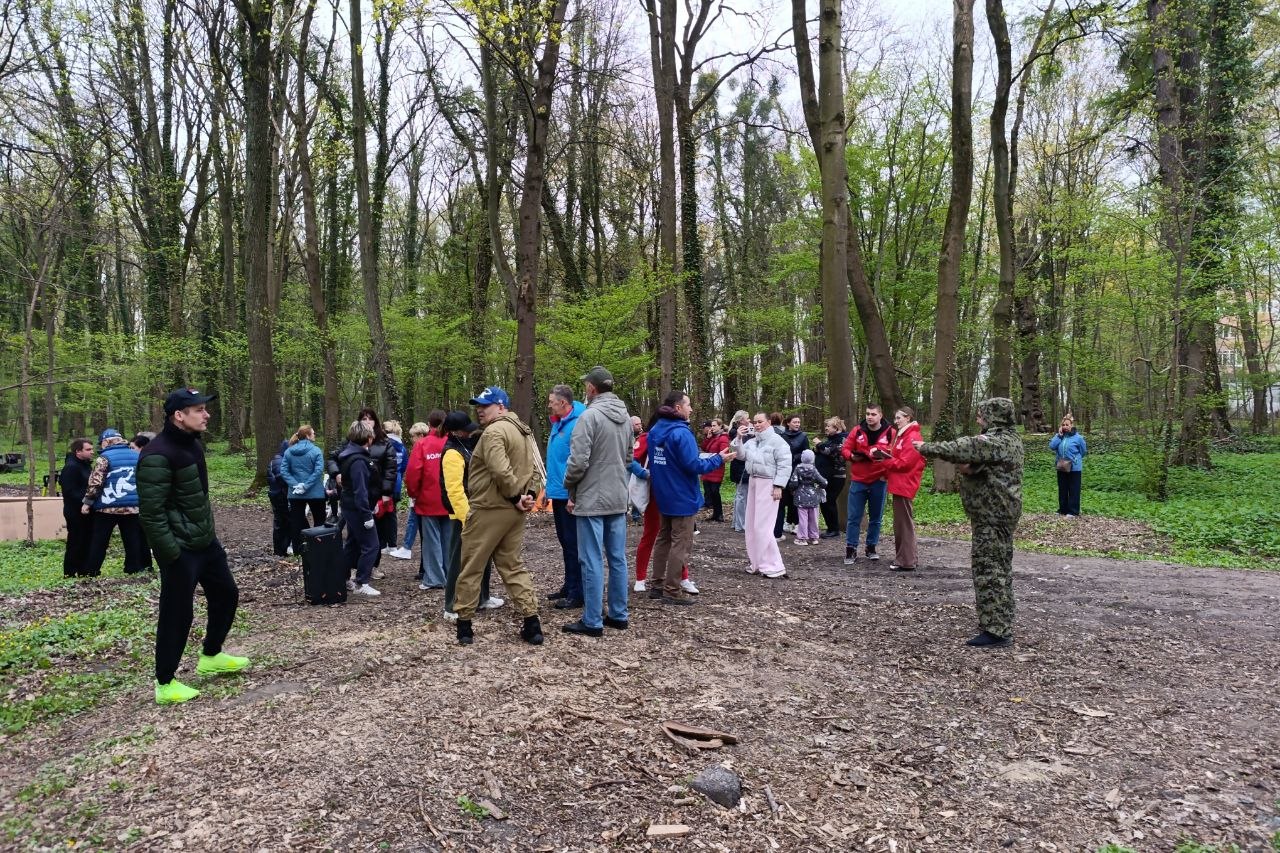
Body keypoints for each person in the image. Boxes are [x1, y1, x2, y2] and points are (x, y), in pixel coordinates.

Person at [138, 387, 249, 705]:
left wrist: (207, 535)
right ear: (179, 415)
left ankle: (211, 655)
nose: (206, 414)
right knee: (177, 613)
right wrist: (170, 553)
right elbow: (151, 512)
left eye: (204, 408)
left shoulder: (194, 445)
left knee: (226, 594)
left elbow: (197, 498)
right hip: (180, 549)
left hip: (205, 542)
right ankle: (165, 683)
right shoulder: (157, 455)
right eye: (199, 409)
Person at [914, 397, 1024, 648]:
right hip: (996, 514)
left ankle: (997, 631)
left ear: (993, 417)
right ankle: (998, 619)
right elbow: (976, 464)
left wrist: (924, 447)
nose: (978, 419)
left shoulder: (998, 441)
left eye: (982, 415)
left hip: (993, 516)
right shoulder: (1009, 440)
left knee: (989, 570)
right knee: (998, 567)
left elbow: (963, 448)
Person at [453, 386, 545, 646]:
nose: (480, 411)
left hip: (489, 509)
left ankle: (464, 627)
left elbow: (500, 470)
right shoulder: (523, 431)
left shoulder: (494, 432)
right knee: (512, 565)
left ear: (501, 406)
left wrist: (517, 497)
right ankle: (532, 623)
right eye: (478, 406)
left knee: (472, 565)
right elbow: (535, 470)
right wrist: (528, 495)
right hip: (513, 512)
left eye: (486, 405)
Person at [560, 366, 632, 636]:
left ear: (591, 388)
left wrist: (569, 486)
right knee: (617, 558)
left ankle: (592, 620)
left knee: (591, 559)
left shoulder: (588, 417)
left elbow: (578, 461)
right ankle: (618, 614)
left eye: (585, 386)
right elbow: (628, 457)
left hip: (592, 497)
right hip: (617, 495)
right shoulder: (625, 418)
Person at [647, 391, 732, 604]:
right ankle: (672, 590)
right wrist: (718, 460)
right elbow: (693, 465)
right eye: (688, 405)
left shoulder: (655, 430)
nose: (691, 409)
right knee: (681, 543)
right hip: (682, 495)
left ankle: (657, 585)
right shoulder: (681, 433)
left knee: (664, 538)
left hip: (663, 493)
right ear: (678, 407)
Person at [439, 411, 498, 622]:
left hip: (478, 509)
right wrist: (467, 518)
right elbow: (454, 490)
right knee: (459, 560)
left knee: (484, 556)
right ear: (456, 432)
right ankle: (451, 605)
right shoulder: (451, 453)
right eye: (465, 430)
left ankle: (482, 597)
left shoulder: (465, 446)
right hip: (463, 515)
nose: (469, 432)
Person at [632, 412, 696, 595]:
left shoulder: (676, 436)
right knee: (652, 534)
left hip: (674, 493)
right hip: (654, 494)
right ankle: (641, 577)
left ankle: (683, 577)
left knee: (679, 538)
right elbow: (630, 459)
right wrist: (645, 474)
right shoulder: (648, 437)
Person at [81, 428, 151, 576]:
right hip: (132, 507)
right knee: (132, 540)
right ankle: (133, 568)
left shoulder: (104, 458)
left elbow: (96, 482)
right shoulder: (137, 455)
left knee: (99, 541)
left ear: (107, 441)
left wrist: (87, 502)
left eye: (101, 442)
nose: (101, 445)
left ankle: (92, 570)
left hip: (107, 507)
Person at [733, 412, 792, 578]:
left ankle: (773, 565)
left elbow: (785, 465)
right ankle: (757, 562)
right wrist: (738, 438)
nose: (757, 424)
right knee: (751, 524)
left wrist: (778, 485)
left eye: (760, 422)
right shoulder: (753, 441)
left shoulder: (778, 442)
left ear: (769, 422)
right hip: (753, 481)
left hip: (769, 483)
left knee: (763, 526)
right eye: (755, 422)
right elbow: (740, 456)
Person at [544, 384, 586, 609]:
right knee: (565, 541)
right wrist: (547, 489)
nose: (549, 405)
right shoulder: (558, 422)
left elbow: (578, 461)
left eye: (552, 402)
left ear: (563, 403)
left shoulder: (577, 424)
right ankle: (569, 585)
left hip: (569, 494)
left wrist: (574, 494)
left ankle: (577, 591)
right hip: (558, 492)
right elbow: (556, 460)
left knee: (573, 544)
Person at [841, 404, 893, 565]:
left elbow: (896, 454)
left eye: (873, 414)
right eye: (868, 414)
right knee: (854, 517)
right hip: (858, 480)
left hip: (879, 480)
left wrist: (886, 473)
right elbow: (845, 449)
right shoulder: (857, 430)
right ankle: (851, 549)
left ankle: (871, 547)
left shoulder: (890, 432)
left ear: (880, 415)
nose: (870, 417)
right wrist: (852, 456)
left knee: (876, 517)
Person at [875, 407, 926, 571]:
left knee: (904, 524)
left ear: (908, 418)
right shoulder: (904, 435)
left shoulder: (912, 437)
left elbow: (905, 463)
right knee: (902, 524)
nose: (895, 421)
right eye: (895, 418)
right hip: (900, 484)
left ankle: (906, 561)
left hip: (905, 484)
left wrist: (885, 461)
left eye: (899, 418)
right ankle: (907, 558)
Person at [403, 415, 450, 590]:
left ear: (429, 424)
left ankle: (435, 578)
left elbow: (413, 472)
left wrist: (413, 494)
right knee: (448, 540)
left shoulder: (422, 444)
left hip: (428, 499)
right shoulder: (451, 441)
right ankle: (449, 574)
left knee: (431, 541)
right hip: (450, 499)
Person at [336, 420, 382, 596]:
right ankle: (362, 582)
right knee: (371, 545)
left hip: (350, 506)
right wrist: (366, 515)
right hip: (357, 509)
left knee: (352, 544)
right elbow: (360, 490)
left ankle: (342, 577)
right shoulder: (358, 461)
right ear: (367, 438)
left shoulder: (351, 455)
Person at [388, 420, 433, 560]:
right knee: (414, 520)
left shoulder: (420, 448)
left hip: (421, 492)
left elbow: (413, 471)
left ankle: (407, 548)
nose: (412, 439)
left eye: (413, 436)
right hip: (424, 491)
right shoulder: (429, 447)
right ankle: (408, 547)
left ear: (420, 435)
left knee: (414, 520)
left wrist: (412, 491)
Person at [282, 425, 327, 555]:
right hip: (315, 493)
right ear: (307, 436)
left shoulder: (289, 451)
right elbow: (318, 471)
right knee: (319, 520)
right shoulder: (316, 451)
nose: (315, 435)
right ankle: (319, 550)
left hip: (295, 494)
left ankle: (298, 551)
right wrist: (306, 486)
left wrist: (295, 485)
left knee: (296, 522)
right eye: (313, 433)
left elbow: (284, 471)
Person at [58, 438, 94, 578]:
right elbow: (69, 491)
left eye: (92, 449)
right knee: (76, 541)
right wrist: (87, 501)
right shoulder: (71, 467)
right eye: (88, 449)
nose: (92, 452)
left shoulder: (85, 465)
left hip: (86, 510)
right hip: (75, 511)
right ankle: (70, 572)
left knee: (86, 541)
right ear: (78, 451)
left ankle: (83, 570)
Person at [775, 415, 809, 538]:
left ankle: (797, 523)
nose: (797, 424)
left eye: (798, 422)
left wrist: (796, 457)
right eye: (795, 422)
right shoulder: (782, 436)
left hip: (797, 469)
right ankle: (787, 522)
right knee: (784, 498)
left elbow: (807, 453)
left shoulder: (803, 436)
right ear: (788, 423)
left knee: (796, 497)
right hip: (784, 469)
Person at [813, 417, 847, 538]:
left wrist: (819, 444)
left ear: (836, 428)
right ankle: (830, 528)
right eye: (826, 426)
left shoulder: (842, 439)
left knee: (829, 500)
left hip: (836, 476)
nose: (826, 428)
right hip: (825, 476)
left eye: (828, 426)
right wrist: (817, 449)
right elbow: (822, 452)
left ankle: (834, 530)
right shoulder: (830, 439)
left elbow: (832, 452)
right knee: (824, 501)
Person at [1049, 414, 1086, 517]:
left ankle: (1073, 511)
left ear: (1071, 425)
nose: (1065, 426)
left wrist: (1075, 459)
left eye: (1067, 424)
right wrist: (1059, 435)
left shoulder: (1078, 438)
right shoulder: (1060, 436)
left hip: (1074, 468)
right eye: (1063, 425)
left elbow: (1083, 451)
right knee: (1063, 488)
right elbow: (1052, 446)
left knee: (1074, 489)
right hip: (1061, 466)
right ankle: (1063, 509)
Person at [789, 449, 827, 545]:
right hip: (813, 496)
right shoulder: (814, 469)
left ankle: (802, 538)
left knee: (803, 518)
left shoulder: (798, 468)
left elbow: (793, 482)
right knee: (814, 518)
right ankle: (813, 537)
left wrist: (792, 490)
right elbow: (823, 482)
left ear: (802, 458)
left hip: (800, 496)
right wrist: (819, 487)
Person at [382, 419, 409, 553]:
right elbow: (404, 466)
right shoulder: (402, 447)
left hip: (384, 483)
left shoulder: (383, 445)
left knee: (381, 514)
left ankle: (383, 544)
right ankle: (392, 544)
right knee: (392, 514)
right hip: (397, 483)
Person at [700, 419, 729, 523]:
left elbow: (724, 453)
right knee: (709, 492)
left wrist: (716, 459)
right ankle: (715, 514)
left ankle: (719, 514)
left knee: (715, 492)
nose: (712, 428)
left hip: (717, 468)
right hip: (709, 467)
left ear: (720, 426)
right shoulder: (712, 437)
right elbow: (704, 448)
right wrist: (708, 438)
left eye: (714, 425)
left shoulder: (723, 438)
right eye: (711, 425)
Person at [726, 411, 751, 532]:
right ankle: (740, 524)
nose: (749, 420)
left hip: (739, 466)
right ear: (741, 420)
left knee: (740, 495)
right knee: (741, 496)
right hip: (740, 467)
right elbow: (741, 449)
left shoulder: (741, 431)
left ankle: (737, 522)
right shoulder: (736, 432)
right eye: (747, 418)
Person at [267, 439, 291, 557]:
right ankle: (280, 550)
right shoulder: (279, 461)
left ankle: (281, 550)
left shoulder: (278, 460)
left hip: (277, 494)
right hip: (279, 496)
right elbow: (281, 478)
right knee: (282, 523)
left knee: (281, 523)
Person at [628, 415, 645, 523]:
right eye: (636, 424)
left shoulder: (642, 436)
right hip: (628, 465)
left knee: (636, 489)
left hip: (638, 465)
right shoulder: (627, 435)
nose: (639, 426)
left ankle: (636, 515)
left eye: (640, 424)